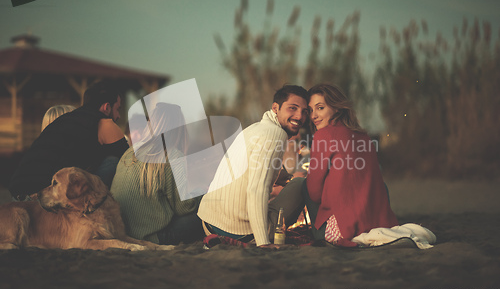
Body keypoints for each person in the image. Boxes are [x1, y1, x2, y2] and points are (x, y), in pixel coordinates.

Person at [197, 85, 309, 248]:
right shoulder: (275, 135)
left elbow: (254, 169)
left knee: (290, 183)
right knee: (301, 184)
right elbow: (256, 190)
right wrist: (263, 242)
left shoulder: (255, 128)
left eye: (305, 111)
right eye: (293, 108)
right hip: (240, 232)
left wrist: (283, 177)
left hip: (208, 224)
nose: (299, 116)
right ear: (275, 108)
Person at [303, 83, 398, 247]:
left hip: (343, 230)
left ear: (337, 108)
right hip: (375, 225)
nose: (314, 116)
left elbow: (314, 193)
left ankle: (318, 234)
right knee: (380, 184)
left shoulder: (323, 135)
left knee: (304, 184)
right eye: (310, 110)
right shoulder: (364, 136)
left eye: (320, 108)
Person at [9, 83, 129, 200]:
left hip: (17, 195)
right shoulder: (104, 122)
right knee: (113, 162)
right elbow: (131, 161)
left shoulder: (63, 120)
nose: (118, 116)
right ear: (107, 107)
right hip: (44, 197)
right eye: (118, 109)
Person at [111, 103, 204, 245]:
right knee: (204, 214)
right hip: (150, 237)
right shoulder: (172, 156)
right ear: (178, 129)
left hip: (123, 233)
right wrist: (202, 196)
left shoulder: (131, 151)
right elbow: (184, 208)